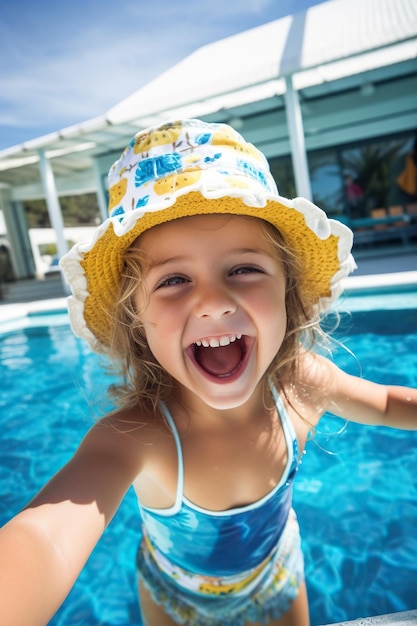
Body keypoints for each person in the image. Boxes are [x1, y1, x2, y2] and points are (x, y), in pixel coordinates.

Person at [0, 119, 416, 626]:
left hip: (276, 571)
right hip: (173, 592)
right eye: (174, 279)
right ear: (138, 321)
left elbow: (391, 404)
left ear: (286, 294)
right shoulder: (140, 436)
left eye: (243, 269)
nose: (214, 302)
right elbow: (45, 535)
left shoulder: (303, 384)